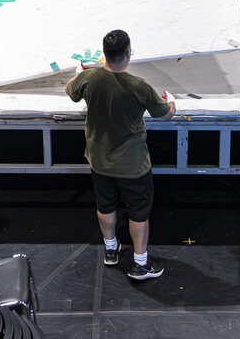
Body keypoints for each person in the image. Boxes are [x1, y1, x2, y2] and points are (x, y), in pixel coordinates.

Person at [65, 30, 176, 280]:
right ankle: (140, 264)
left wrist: (79, 74)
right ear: (128, 53)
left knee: (105, 205)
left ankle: (111, 250)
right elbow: (166, 114)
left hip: (100, 161)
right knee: (139, 213)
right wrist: (172, 102)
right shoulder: (139, 86)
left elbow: (71, 91)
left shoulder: (89, 79)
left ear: (104, 53)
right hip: (132, 165)